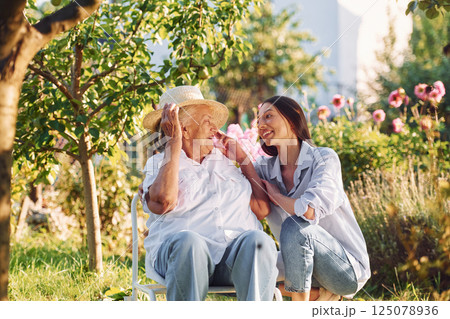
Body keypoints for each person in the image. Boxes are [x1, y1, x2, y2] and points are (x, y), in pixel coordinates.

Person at [138, 86, 278, 301]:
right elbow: (163, 202)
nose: (215, 128)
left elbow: (261, 209)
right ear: (182, 129)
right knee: (188, 241)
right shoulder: (159, 163)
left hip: (231, 262)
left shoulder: (225, 162)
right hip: (183, 261)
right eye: (207, 121)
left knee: (259, 240)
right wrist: (174, 143)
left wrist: (243, 159)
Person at [252, 95, 370, 301]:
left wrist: (277, 196)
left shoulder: (324, 158)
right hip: (297, 261)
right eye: (259, 119)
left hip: (344, 269)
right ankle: (317, 294)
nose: (261, 124)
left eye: (268, 116)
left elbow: (309, 211)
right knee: (248, 260)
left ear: (291, 120)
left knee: (295, 226)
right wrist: (234, 157)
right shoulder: (263, 168)